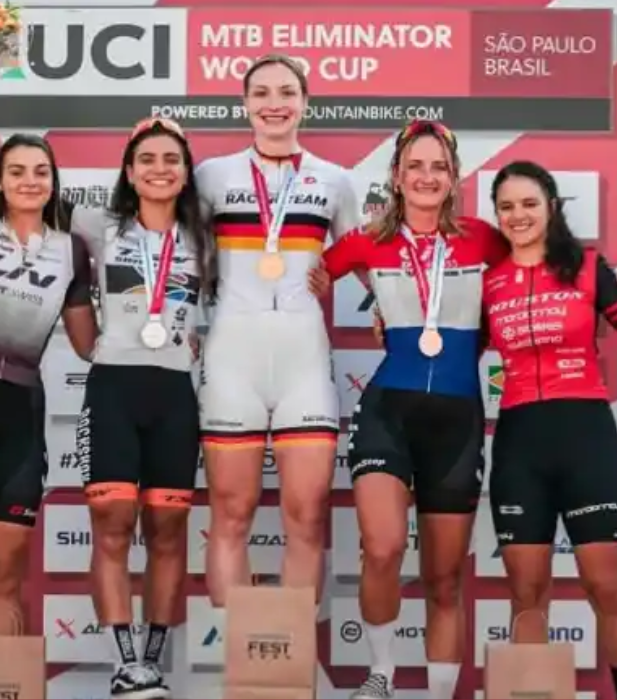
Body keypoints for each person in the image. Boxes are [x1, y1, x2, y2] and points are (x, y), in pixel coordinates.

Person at [312, 119, 507, 700]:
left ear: (454, 178)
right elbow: (299, 281)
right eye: (415, 166)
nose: (426, 177)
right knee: (383, 548)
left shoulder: (484, 240)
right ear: (396, 177)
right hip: (386, 413)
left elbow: (530, 285)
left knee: (444, 578)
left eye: (438, 167)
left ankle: (440, 693)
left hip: (457, 419)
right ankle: (381, 675)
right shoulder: (367, 241)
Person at [194, 54, 361, 611]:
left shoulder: (335, 180)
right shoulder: (212, 175)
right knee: (230, 513)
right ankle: (235, 653)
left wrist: (378, 300)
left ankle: (292, 657)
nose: (274, 104)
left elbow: (362, 258)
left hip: (303, 361)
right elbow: (184, 254)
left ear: (305, 103)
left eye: (286, 92)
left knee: (307, 517)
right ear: (244, 104)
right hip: (232, 358)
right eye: (261, 93)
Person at [68, 118, 215, 700]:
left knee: (168, 530)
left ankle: (151, 663)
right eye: (147, 159)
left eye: (171, 159)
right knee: (111, 526)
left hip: (175, 392)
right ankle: (123, 663)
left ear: (186, 172)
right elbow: (27, 212)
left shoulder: (205, 236)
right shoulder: (95, 224)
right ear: (128, 172)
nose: (159, 168)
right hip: (114, 387)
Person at [484, 161, 617, 696]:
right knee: (527, 594)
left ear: (553, 207)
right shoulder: (490, 282)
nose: (518, 215)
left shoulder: (587, 267)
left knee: (607, 586)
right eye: (506, 206)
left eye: (529, 204)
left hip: (586, 437)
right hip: (520, 444)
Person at [0, 134, 96, 635]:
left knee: (4, 579)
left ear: (54, 182)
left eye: (41, 171)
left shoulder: (69, 250)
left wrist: (159, 329)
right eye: (16, 171)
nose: (29, 181)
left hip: (20, 410)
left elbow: (88, 344)